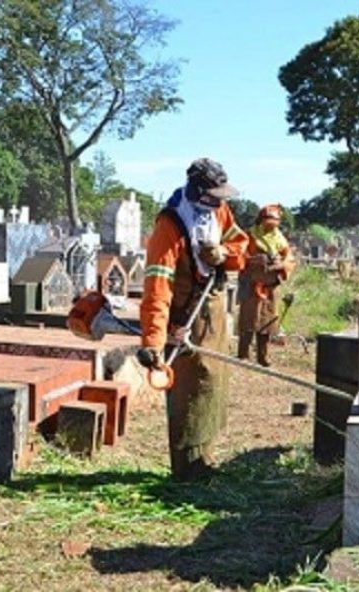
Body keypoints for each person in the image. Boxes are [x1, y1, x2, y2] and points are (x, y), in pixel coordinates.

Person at [138, 158, 248, 481]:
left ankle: (206, 458)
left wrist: (224, 254)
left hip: (212, 308)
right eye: (214, 195)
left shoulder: (219, 212)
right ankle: (187, 471)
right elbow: (157, 290)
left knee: (213, 381)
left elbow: (241, 244)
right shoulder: (169, 228)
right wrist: (153, 341)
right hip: (183, 317)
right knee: (191, 388)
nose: (220, 201)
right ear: (198, 192)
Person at [237, 204, 296, 367]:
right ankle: (243, 354)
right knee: (249, 320)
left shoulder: (279, 239)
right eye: (267, 223)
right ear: (260, 221)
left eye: (274, 224)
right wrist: (254, 260)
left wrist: (281, 265)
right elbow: (240, 256)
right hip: (252, 284)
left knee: (267, 321)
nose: (270, 227)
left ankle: (263, 356)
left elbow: (290, 258)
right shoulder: (249, 236)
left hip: (270, 286)